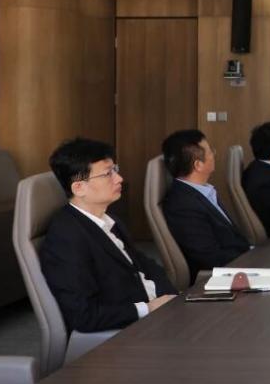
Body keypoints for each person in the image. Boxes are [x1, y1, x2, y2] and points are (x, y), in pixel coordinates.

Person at [40, 138, 176, 332]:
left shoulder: (108, 219)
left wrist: (171, 299)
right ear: (79, 188)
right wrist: (147, 308)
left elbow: (147, 266)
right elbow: (83, 315)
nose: (119, 178)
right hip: (127, 331)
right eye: (107, 174)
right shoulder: (66, 238)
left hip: (158, 313)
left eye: (115, 170)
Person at [159, 129, 252, 283]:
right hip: (223, 278)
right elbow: (210, 258)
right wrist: (254, 259)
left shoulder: (202, 191)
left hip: (241, 262)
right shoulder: (183, 205)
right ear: (198, 165)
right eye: (210, 152)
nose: (214, 154)